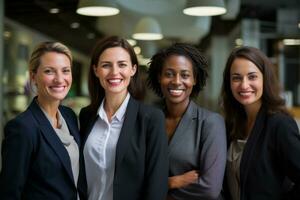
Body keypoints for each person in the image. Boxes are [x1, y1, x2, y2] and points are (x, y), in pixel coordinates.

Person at [79, 36, 168, 200]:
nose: (114, 72)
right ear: (95, 70)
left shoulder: (151, 118)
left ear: (133, 69)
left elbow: (157, 184)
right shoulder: (86, 116)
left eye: (122, 65)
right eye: (106, 65)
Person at [0, 42, 82, 199]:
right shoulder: (22, 128)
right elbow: (9, 193)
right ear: (33, 76)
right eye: (49, 71)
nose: (59, 79)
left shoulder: (69, 116)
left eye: (65, 71)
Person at [147, 43, 227, 200]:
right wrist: (173, 182)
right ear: (159, 77)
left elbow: (210, 189)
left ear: (195, 79)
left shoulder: (211, 123)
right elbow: (137, 179)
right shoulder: (150, 122)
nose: (177, 81)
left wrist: (157, 191)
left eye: (185, 75)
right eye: (169, 74)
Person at [221, 46, 300, 200]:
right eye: (236, 78)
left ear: (265, 79)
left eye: (252, 77)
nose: (244, 85)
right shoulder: (230, 124)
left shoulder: (280, 125)